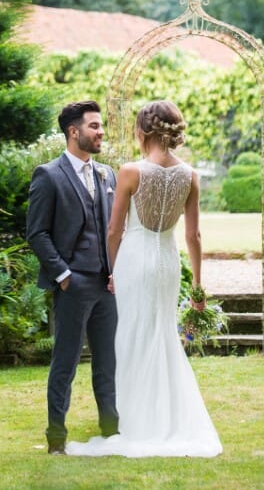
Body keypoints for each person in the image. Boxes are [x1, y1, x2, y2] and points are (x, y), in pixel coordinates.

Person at [67, 99, 222, 458]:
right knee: (162, 335)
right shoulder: (190, 175)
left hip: (135, 261)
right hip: (168, 262)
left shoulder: (130, 171)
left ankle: (135, 421)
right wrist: (198, 288)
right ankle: (166, 417)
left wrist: (112, 270)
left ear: (142, 131)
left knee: (131, 335)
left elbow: (113, 230)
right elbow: (194, 237)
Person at [26, 100, 119, 454]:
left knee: (107, 363)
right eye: (94, 126)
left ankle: (112, 433)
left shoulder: (107, 174)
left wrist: (115, 271)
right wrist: (63, 275)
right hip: (73, 284)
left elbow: (113, 228)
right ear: (73, 131)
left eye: (100, 126)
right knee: (64, 364)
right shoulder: (48, 175)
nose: (101, 132)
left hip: (105, 287)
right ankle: (56, 440)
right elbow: (37, 233)